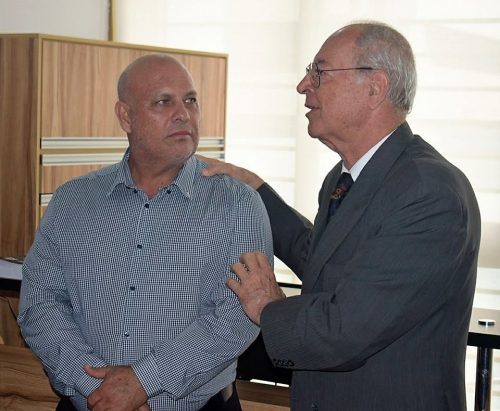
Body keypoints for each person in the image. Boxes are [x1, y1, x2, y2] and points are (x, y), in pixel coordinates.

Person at [202, 21, 481, 410]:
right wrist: (256, 189)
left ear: (375, 88)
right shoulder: (346, 175)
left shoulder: (429, 191)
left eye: (320, 72)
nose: (303, 86)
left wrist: (268, 307)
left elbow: (346, 329)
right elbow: (326, 261)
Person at [17, 54, 273, 411]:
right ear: (125, 116)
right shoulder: (72, 201)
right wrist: (98, 388)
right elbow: (41, 303)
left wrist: (142, 382)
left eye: (190, 100)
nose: (183, 114)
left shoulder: (238, 204)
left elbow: (238, 316)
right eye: (163, 102)